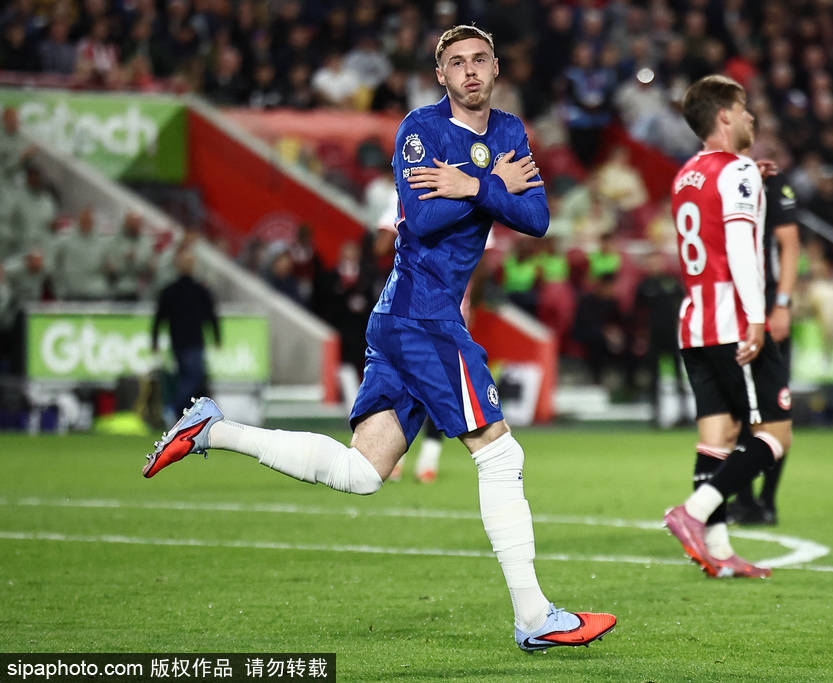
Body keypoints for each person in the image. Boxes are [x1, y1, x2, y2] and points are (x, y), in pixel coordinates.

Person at [141, 25, 615, 653]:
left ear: (497, 67)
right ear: (440, 76)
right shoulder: (420, 130)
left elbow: (537, 218)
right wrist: (491, 186)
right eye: (456, 63)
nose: (470, 71)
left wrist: (473, 185)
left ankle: (212, 430)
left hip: (410, 316)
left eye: (480, 60)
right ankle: (534, 617)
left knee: (364, 471)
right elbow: (424, 217)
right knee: (499, 455)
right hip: (422, 315)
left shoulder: (508, 131)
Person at [662, 74, 793, 578]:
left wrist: (749, 180)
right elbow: (739, 247)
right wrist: (758, 318)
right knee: (775, 435)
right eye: (743, 109)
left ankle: (717, 552)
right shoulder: (737, 170)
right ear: (723, 116)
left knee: (717, 436)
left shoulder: (687, 174)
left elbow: (712, 220)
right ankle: (692, 514)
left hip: (694, 321)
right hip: (732, 322)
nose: (750, 117)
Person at [730, 156, 801, 526]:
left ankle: (768, 500)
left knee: (774, 408)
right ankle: (744, 500)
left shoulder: (772, 182)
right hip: (730, 308)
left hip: (767, 305)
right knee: (736, 410)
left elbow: (789, 244)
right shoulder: (724, 180)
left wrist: (782, 304)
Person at [151, 245, 221, 424]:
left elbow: (159, 318)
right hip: (187, 343)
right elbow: (160, 318)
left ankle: (181, 416)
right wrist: (216, 336)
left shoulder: (183, 290)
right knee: (194, 377)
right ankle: (174, 408)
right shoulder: (189, 290)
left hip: (187, 342)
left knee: (187, 378)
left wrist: (155, 339)